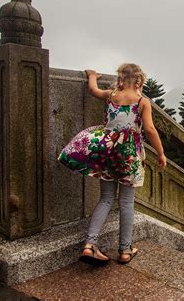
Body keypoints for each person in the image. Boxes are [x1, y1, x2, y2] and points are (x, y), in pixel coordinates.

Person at [57, 63, 166, 265]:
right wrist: (161, 153)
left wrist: (91, 75)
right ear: (140, 81)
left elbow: (93, 90)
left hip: (107, 151)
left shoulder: (111, 95)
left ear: (121, 78)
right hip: (128, 155)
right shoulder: (142, 102)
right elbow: (149, 129)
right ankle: (125, 250)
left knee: (106, 198)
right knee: (126, 202)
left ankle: (89, 244)